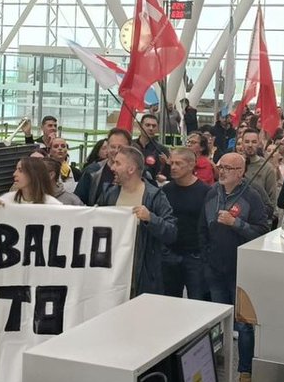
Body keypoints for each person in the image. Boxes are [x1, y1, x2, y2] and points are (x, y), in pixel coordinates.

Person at [201, 152, 269, 382]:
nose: (222, 171)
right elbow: (202, 230)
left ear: (240, 172)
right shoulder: (212, 193)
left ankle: (245, 374)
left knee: (243, 325)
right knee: (218, 322)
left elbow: (262, 232)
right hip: (215, 269)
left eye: (228, 168)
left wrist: (236, 224)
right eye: (220, 167)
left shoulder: (253, 196)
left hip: (241, 270)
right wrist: (206, 257)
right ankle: (216, 368)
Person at [98, 146, 177, 296]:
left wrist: (150, 219)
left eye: (117, 163)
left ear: (131, 169)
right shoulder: (109, 194)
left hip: (143, 274)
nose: (112, 167)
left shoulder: (154, 196)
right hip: (114, 272)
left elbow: (171, 232)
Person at [160, 148, 211, 300]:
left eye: (178, 163)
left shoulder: (205, 191)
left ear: (190, 165)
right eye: (171, 163)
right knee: (169, 300)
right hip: (170, 254)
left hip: (195, 256)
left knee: (197, 300)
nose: (173, 167)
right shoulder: (166, 190)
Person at [76, 128, 131, 205]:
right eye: (113, 147)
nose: (116, 151)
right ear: (107, 147)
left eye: (121, 147)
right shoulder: (92, 172)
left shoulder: (139, 173)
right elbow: (78, 202)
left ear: (130, 148)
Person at [239, 128, 279, 219]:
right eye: (247, 142)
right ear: (242, 144)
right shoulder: (234, 164)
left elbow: (272, 200)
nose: (250, 145)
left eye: (254, 142)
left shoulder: (267, 168)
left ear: (259, 144)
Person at [135, 113, 171, 181]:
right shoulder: (131, 146)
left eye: (154, 126)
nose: (151, 128)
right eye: (147, 125)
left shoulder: (162, 150)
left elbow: (168, 174)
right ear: (140, 126)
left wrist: (166, 166)